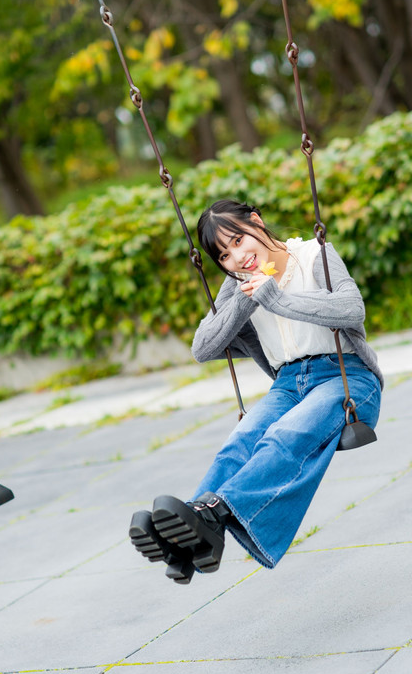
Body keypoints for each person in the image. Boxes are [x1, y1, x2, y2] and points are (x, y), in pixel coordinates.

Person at [129, 199, 382, 584]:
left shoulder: (313, 253)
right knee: (242, 439)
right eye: (224, 255)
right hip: (287, 384)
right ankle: (189, 541)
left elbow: (352, 309)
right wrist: (243, 304)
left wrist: (275, 298)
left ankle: (210, 515)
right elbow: (203, 347)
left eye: (238, 240)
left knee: (282, 437)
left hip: (345, 378)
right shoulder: (237, 285)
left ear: (257, 221)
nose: (236, 258)